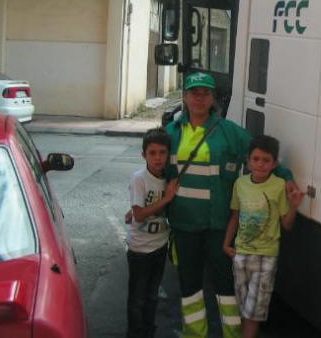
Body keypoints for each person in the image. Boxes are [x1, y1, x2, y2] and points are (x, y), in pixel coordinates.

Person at [165, 71, 298, 338]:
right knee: (189, 286)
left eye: (205, 93)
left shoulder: (230, 132)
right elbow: (155, 167)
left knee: (226, 285)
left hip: (218, 224)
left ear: (212, 98)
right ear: (185, 97)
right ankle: (195, 334)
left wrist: (286, 177)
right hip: (183, 224)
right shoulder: (171, 133)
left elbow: (261, 155)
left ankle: (233, 334)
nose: (199, 98)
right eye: (194, 93)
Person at [222, 135, 304, 338]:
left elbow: (287, 224)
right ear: (248, 161)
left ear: (275, 164)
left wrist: (294, 207)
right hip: (240, 255)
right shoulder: (240, 183)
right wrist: (226, 244)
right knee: (243, 308)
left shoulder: (279, 186)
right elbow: (235, 216)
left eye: (266, 160)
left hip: (266, 258)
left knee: (253, 313)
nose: (260, 164)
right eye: (256, 159)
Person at [126, 127, 178, 338]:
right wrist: (166, 199)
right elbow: (139, 215)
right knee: (137, 299)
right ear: (143, 155)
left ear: (168, 154)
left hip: (160, 246)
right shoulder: (139, 178)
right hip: (139, 250)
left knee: (152, 295)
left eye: (162, 153)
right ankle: (135, 333)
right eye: (152, 153)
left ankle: (148, 331)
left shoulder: (168, 178)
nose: (157, 158)